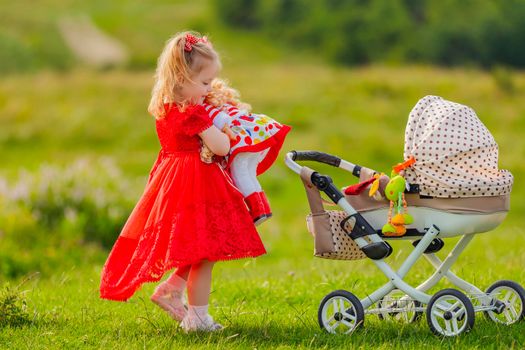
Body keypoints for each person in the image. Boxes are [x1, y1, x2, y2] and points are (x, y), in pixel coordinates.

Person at [99, 31, 267, 332]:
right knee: (205, 252)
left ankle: (172, 288)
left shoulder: (167, 108)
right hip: (195, 184)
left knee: (199, 245)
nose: (208, 90)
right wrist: (226, 127)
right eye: (204, 83)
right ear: (181, 77)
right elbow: (220, 148)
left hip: (174, 182)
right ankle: (198, 318)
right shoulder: (193, 112)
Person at [202, 79, 291, 225]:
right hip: (256, 135)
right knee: (249, 173)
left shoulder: (207, 107)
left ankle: (256, 211)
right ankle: (263, 207)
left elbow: (221, 120)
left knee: (240, 172)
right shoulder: (225, 104)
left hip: (241, 138)